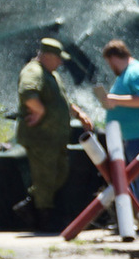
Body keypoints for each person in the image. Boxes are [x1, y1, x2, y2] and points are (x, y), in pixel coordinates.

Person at [14, 37, 93, 233]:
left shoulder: (52, 74)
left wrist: (79, 113)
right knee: (45, 177)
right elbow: (28, 93)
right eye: (58, 59)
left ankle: (28, 206)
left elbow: (62, 100)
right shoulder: (33, 72)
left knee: (59, 174)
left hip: (55, 139)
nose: (61, 63)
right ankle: (43, 221)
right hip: (41, 138)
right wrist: (39, 111)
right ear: (47, 56)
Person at [97, 39, 139, 216]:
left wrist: (113, 99)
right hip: (126, 135)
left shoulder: (136, 72)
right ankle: (130, 217)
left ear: (114, 57)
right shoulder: (125, 74)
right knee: (127, 178)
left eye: (109, 62)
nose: (110, 66)